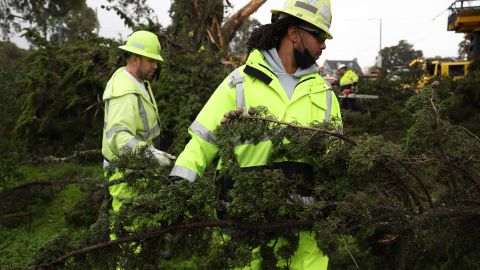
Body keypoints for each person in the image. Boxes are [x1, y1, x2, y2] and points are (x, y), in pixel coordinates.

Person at [170, 0, 341, 268]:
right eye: (319, 35)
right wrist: (179, 185)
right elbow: (202, 141)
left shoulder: (326, 94)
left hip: (304, 236)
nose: (323, 45)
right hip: (243, 228)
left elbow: (338, 162)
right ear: (294, 33)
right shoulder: (239, 83)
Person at [102, 30, 175, 213]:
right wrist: (149, 154)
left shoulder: (140, 82)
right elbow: (118, 137)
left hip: (140, 170)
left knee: (144, 226)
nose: (155, 66)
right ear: (135, 59)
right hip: (126, 173)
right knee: (128, 229)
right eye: (151, 60)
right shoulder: (124, 92)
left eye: (156, 61)